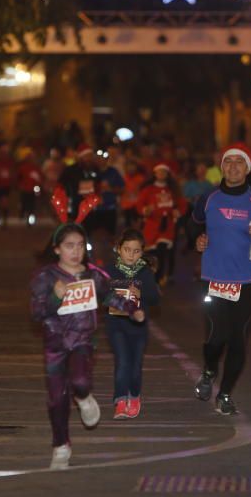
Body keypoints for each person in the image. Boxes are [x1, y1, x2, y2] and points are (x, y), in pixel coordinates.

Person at [30, 223, 140, 469]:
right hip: (55, 343)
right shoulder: (46, 277)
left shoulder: (93, 274)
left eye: (80, 245)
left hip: (82, 340)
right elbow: (36, 313)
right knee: (56, 398)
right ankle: (61, 446)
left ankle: (84, 397)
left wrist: (133, 310)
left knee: (80, 381)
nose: (75, 251)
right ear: (57, 249)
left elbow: (110, 296)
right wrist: (55, 297)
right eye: (69, 246)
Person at [189, 143, 251, 415]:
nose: (234, 166)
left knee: (238, 339)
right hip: (213, 277)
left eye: (240, 162)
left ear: (247, 169)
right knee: (216, 336)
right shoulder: (209, 198)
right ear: (222, 166)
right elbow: (192, 223)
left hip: (245, 280)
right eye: (229, 161)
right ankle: (210, 369)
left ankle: (225, 394)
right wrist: (198, 239)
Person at [105, 229, 160, 420]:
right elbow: (103, 294)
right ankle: (120, 401)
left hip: (138, 327)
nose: (131, 254)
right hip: (116, 325)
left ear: (142, 252)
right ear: (119, 249)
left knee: (135, 367)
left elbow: (155, 298)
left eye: (136, 251)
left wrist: (141, 293)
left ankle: (134, 396)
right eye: (127, 249)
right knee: (122, 362)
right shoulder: (110, 271)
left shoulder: (144, 273)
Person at [136, 163, 186, 286]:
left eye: (164, 172)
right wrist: (145, 210)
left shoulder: (173, 190)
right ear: (155, 174)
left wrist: (177, 212)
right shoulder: (148, 190)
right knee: (151, 254)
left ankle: (159, 278)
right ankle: (151, 277)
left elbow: (182, 204)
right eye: (159, 172)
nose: (161, 174)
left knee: (162, 251)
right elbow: (139, 205)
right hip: (152, 226)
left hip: (168, 226)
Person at [16, 148, 43, 225]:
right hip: (24, 189)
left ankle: (30, 218)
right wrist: (19, 185)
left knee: (32, 204)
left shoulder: (36, 168)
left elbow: (40, 178)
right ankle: (22, 212)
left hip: (33, 189)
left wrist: (38, 187)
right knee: (24, 202)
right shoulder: (22, 167)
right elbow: (18, 177)